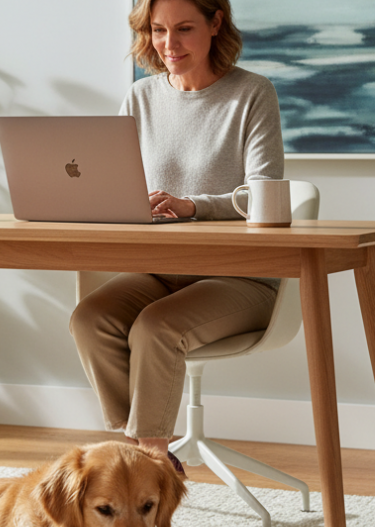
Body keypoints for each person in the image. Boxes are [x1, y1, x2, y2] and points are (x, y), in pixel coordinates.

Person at [69, 0, 285, 472]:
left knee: (155, 327)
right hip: (161, 271)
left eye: (184, 29)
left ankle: (147, 464)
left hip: (243, 280)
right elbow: (118, 183)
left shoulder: (251, 94)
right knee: (90, 318)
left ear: (215, 23)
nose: (169, 44)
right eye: (158, 30)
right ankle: (140, 451)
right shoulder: (141, 98)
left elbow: (264, 196)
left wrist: (195, 206)